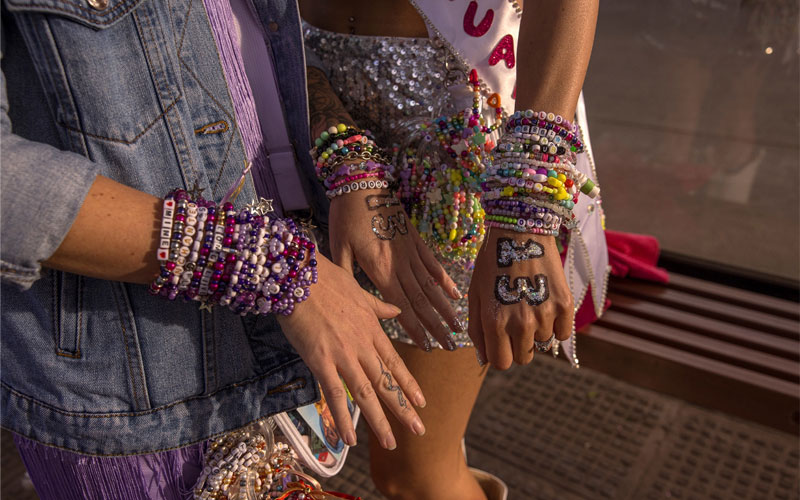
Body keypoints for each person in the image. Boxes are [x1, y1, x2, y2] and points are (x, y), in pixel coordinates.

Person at [0, 0, 433, 497]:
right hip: (141, 388)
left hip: (290, 335)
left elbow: (244, 41)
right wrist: (270, 267)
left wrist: (347, 159)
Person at [300, 1, 606, 499]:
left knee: (415, 475)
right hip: (307, 100)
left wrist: (524, 208)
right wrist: (336, 140)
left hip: (450, 148)